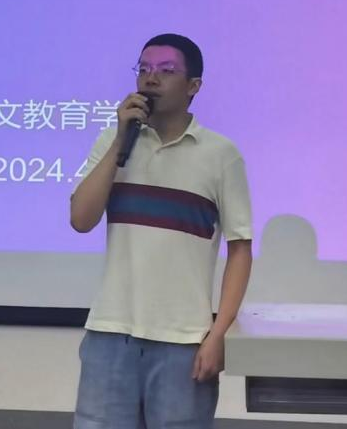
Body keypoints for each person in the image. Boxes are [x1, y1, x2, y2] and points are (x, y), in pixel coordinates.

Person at [69, 33, 252, 429]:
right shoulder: (113, 141)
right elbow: (81, 220)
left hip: (183, 341)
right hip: (109, 334)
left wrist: (218, 334)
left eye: (166, 71)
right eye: (144, 69)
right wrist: (120, 139)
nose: (151, 78)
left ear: (193, 86)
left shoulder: (220, 155)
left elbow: (240, 249)